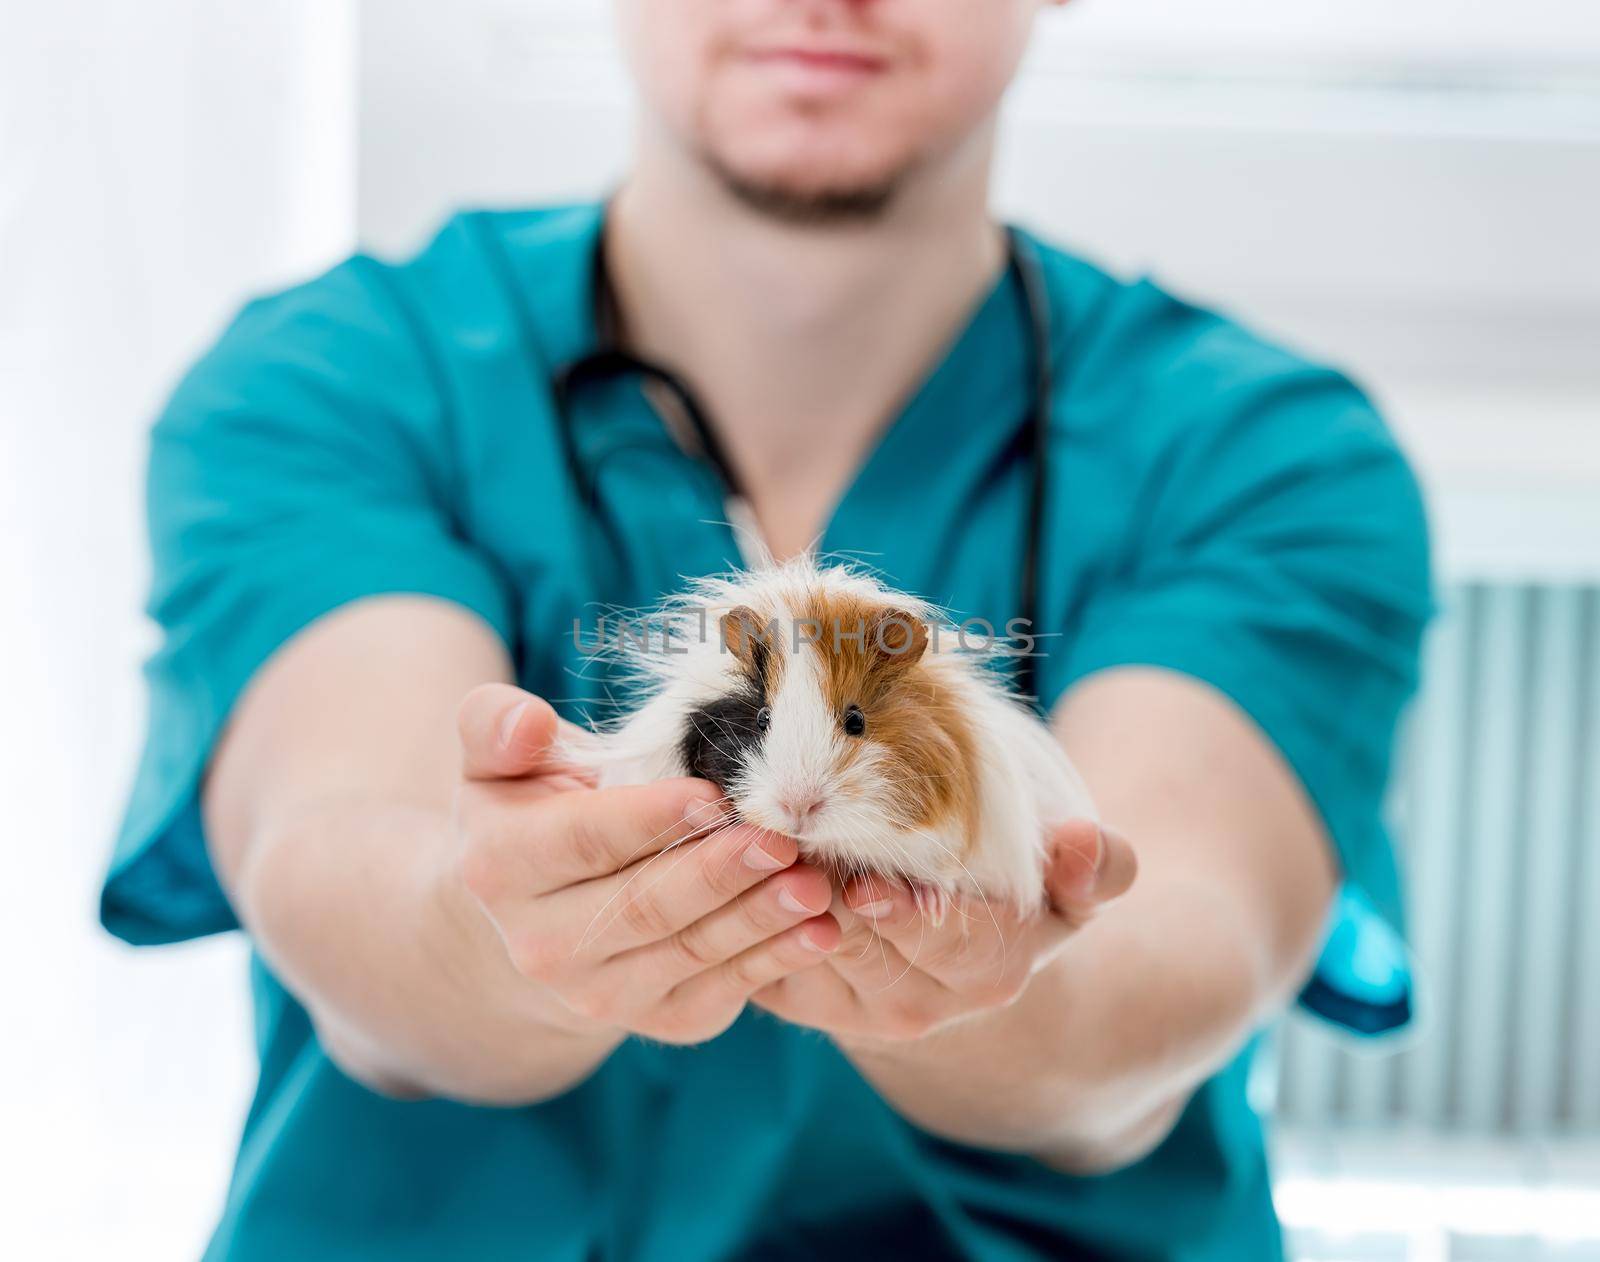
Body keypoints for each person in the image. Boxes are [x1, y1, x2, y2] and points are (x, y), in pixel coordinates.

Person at [101, 2, 1433, 1259]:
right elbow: (338, 853)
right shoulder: (330, 382)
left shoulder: (1266, 457)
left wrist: (1002, 971)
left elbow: (1174, 944)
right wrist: (499, 919)